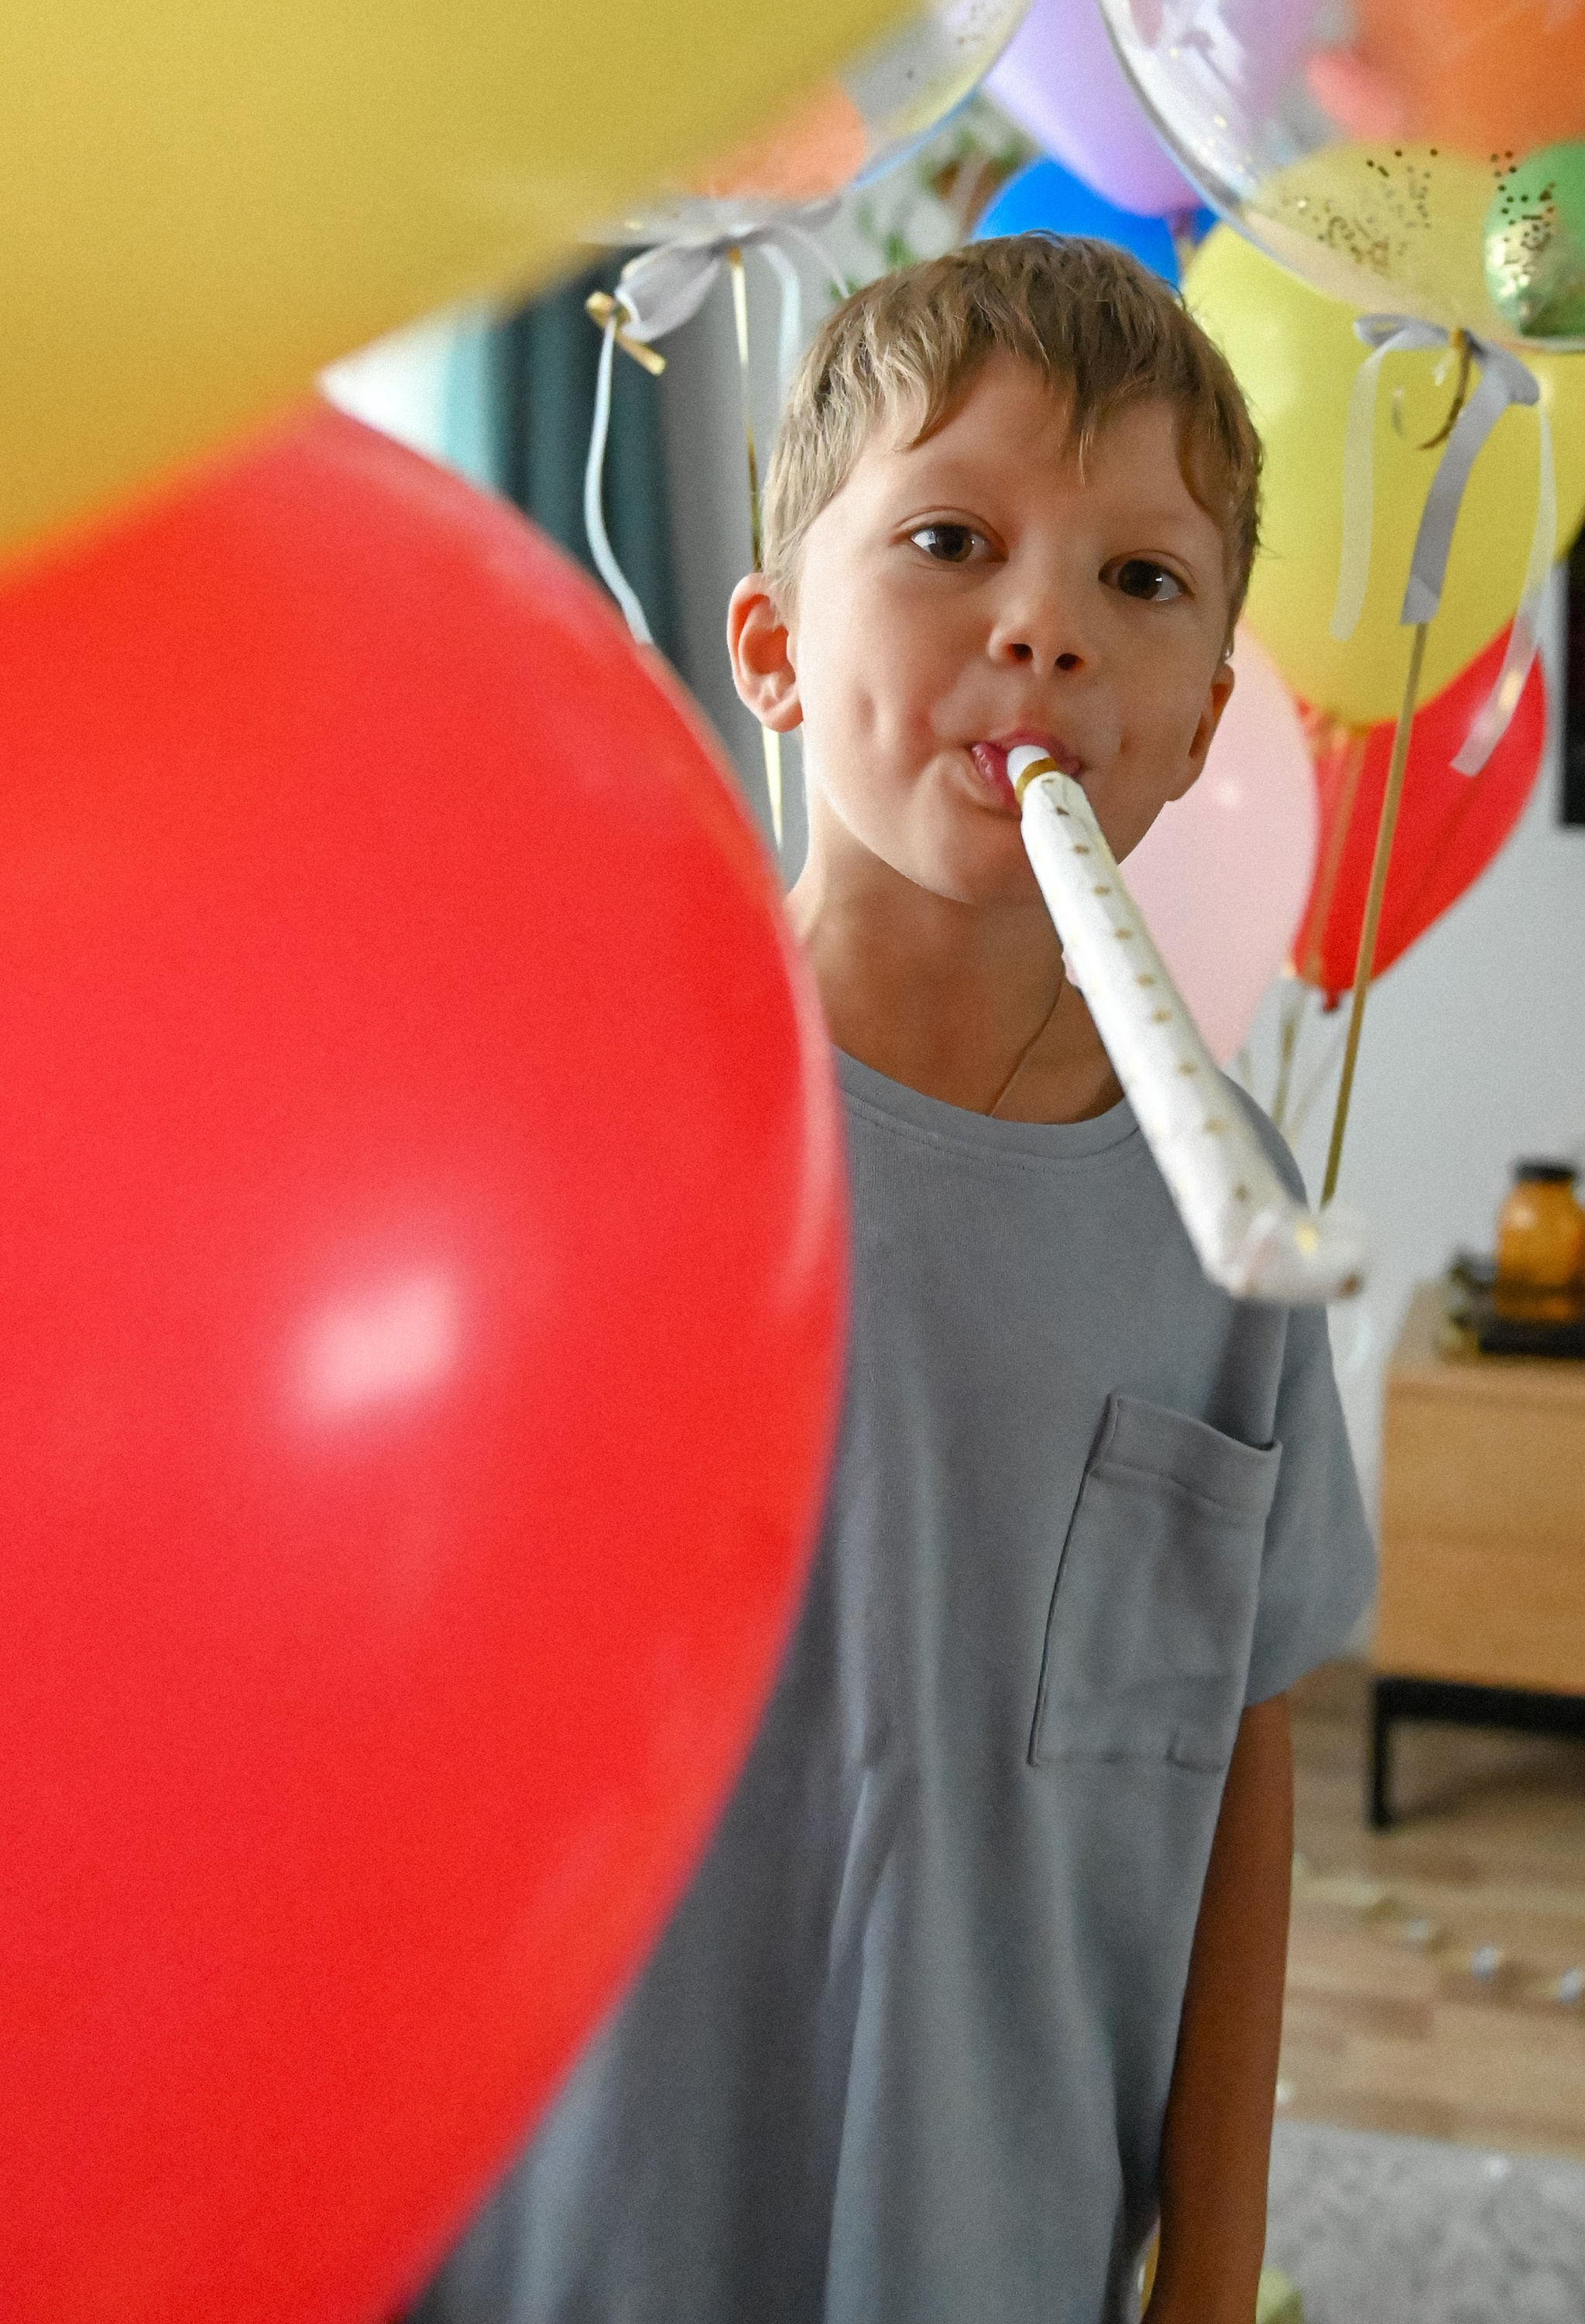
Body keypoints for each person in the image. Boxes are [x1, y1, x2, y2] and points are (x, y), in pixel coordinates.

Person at [412, 235, 1373, 2324]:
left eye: (1142, 581)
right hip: (568, 2219)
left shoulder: (1233, 1223)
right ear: (767, 643)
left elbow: (1240, 1766)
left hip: (988, 2228)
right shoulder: (588, 1122)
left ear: (1204, 722)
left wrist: (1208, 2277)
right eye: (953, 540)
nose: (1043, 631)